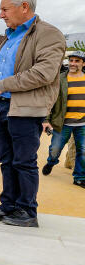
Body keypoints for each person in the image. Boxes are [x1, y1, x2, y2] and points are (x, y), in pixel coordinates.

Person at [0, 0, 66, 227]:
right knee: (6, 159)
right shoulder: (7, 36)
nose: (1, 15)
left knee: (23, 161)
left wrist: (2, 85)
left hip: (27, 109)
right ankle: (8, 206)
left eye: (5, 9)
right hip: (4, 106)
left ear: (24, 7)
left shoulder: (49, 34)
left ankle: (27, 211)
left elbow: (44, 73)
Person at [41, 51, 85, 188]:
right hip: (62, 123)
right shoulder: (60, 79)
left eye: (77, 61)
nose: (73, 63)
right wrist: (45, 119)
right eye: (71, 60)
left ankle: (79, 177)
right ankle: (51, 162)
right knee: (55, 149)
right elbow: (50, 100)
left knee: (82, 151)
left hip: (82, 123)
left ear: (83, 63)